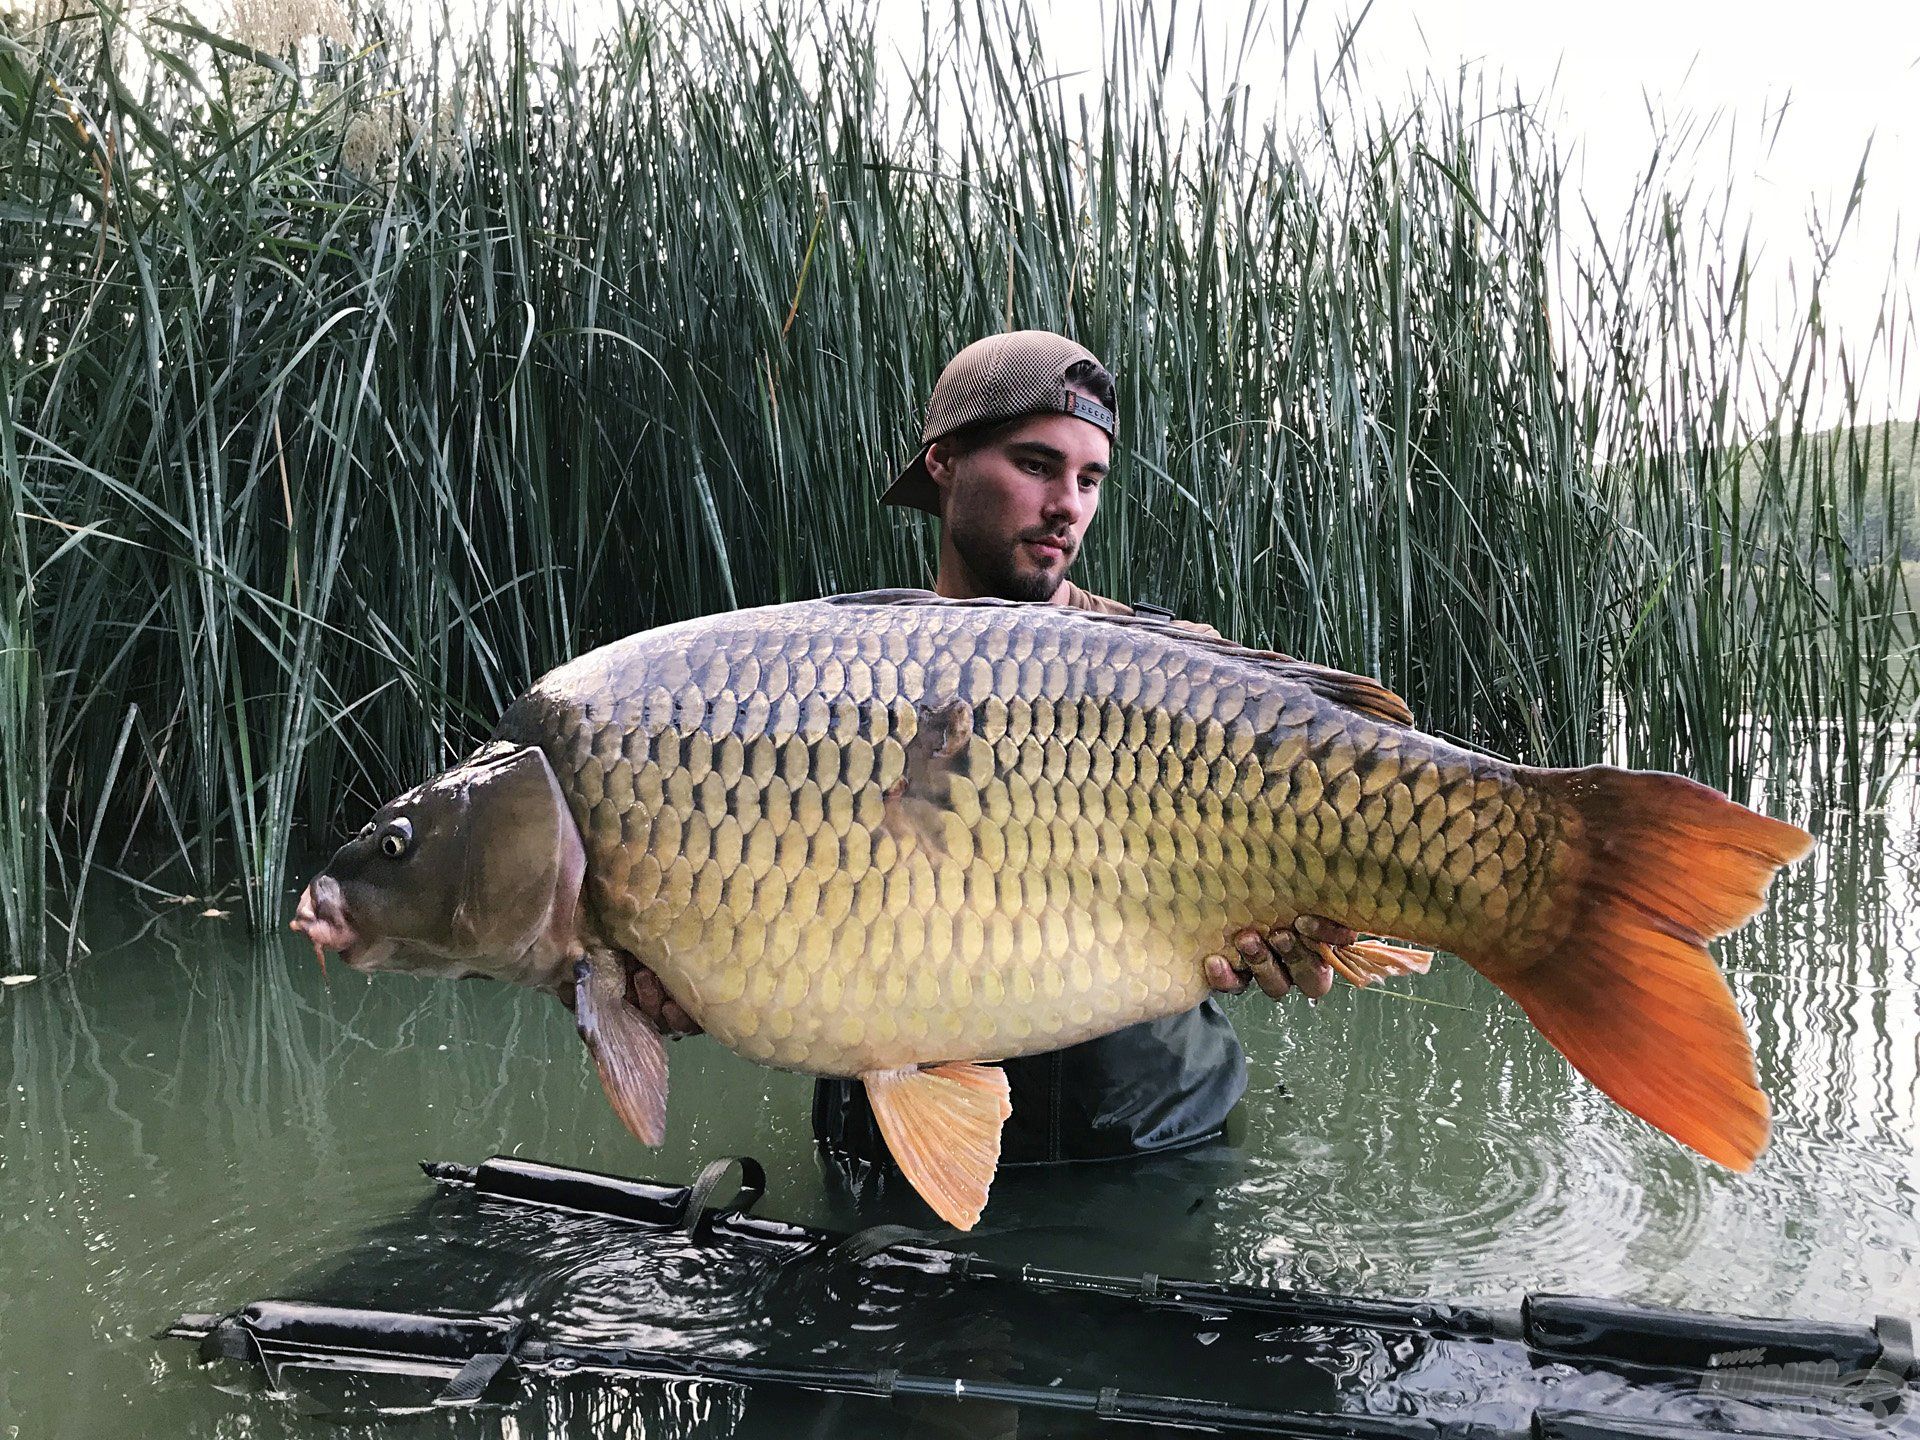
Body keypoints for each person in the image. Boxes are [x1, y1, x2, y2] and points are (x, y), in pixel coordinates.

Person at [800, 329, 1359, 1173]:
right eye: (1035, 465)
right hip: (891, 1142)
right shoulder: (839, 673)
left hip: (1150, 1145)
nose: (1068, 503)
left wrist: (1303, 942)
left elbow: (1303, 916)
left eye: (1089, 479)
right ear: (944, 462)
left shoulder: (1177, 675)